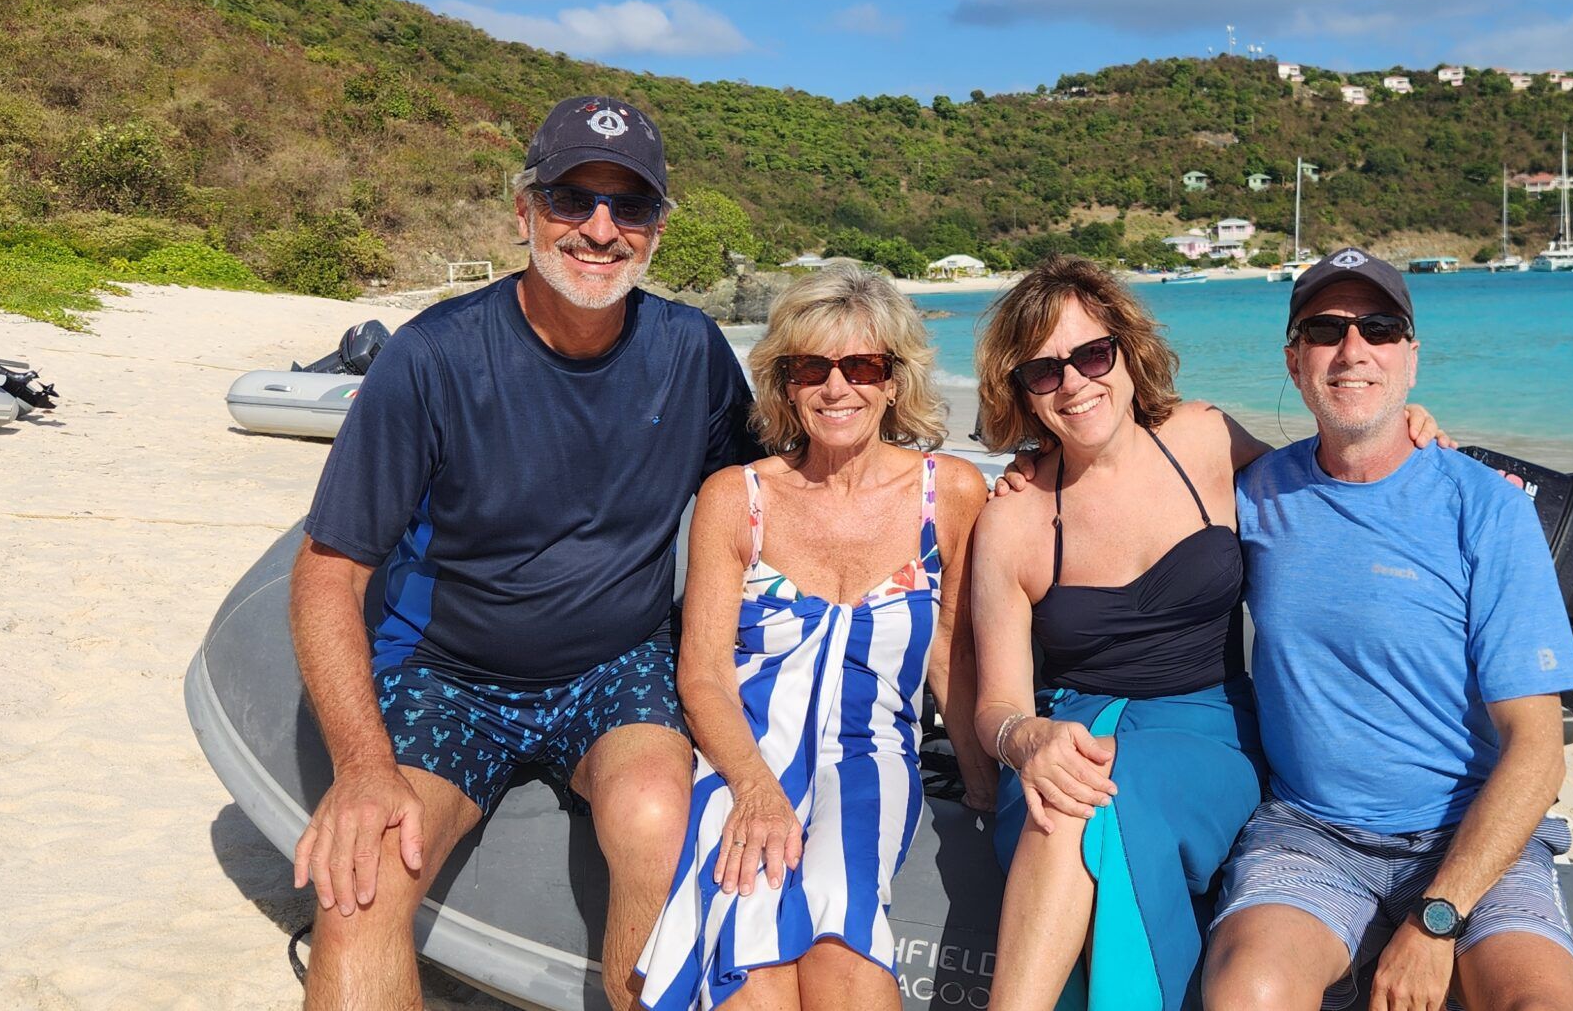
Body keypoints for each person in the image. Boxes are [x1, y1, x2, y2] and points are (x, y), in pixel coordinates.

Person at [289, 96, 758, 1011]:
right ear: (523, 210)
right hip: (446, 669)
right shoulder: (433, 357)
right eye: (572, 197)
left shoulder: (690, 350)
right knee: (362, 888)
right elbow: (326, 574)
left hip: (614, 663)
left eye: (629, 207)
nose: (599, 228)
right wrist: (361, 767)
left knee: (662, 820)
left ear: (657, 228)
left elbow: (761, 501)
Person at [966, 255, 1450, 1011]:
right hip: (1068, 730)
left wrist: (1402, 424)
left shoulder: (1201, 439)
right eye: (1043, 371)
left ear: (1127, 351)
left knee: (1098, 800)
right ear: (1021, 391)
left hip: (1211, 728)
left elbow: (1330, 475)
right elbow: (995, 703)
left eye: (1092, 354)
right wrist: (1026, 741)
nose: (1075, 383)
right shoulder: (1014, 516)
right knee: (1070, 795)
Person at [1204, 247, 1573, 1011]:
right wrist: (1024, 468)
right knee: (1246, 992)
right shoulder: (1256, 493)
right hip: (1311, 832)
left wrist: (1437, 919)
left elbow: (1539, 754)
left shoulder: (1488, 508)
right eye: (1326, 330)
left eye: (1379, 328)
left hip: (1474, 832)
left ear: (1409, 359)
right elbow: (1132, 457)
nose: (1353, 349)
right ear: (1294, 360)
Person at [638, 265, 992, 1011]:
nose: (838, 388)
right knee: (750, 910)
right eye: (812, 368)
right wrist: (754, 789)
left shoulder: (950, 494)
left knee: (840, 905)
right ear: (786, 385)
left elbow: (949, 655)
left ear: (894, 380)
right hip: (745, 751)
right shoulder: (737, 498)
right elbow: (701, 674)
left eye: (861, 365)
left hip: (869, 753)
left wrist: (987, 782)